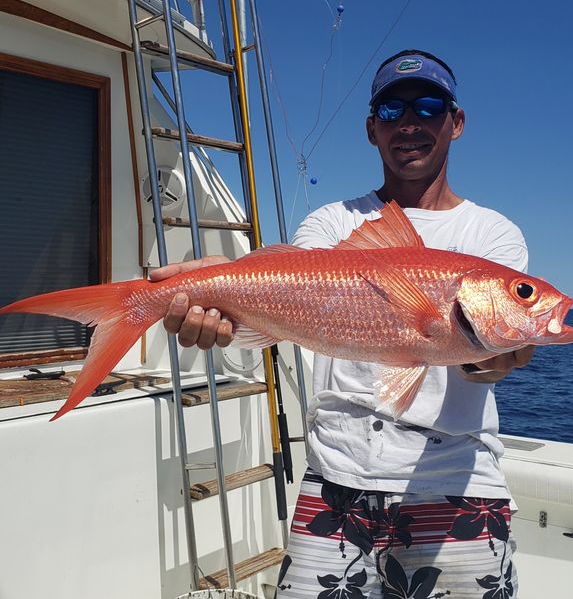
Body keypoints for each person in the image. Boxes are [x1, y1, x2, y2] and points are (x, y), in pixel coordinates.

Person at [151, 49, 533, 598]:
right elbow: (292, 295)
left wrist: (497, 355)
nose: (409, 123)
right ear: (371, 129)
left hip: (455, 482)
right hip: (336, 475)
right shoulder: (332, 222)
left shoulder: (492, 234)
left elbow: (483, 362)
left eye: (428, 107)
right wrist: (228, 288)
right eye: (390, 111)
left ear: (456, 122)